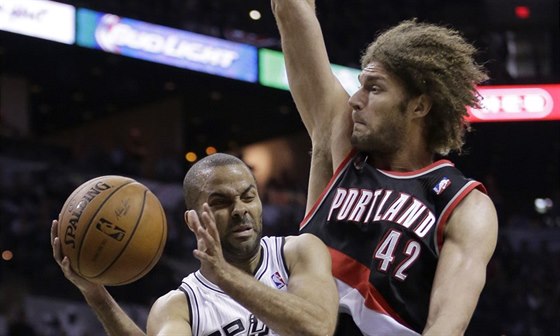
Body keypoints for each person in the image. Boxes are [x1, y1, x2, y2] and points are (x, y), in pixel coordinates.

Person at [271, 1, 499, 335]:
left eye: (373, 88)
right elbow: (290, 9)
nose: (355, 99)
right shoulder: (342, 145)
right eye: (361, 84)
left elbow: (447, 325)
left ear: (419, 106)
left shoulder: (463, 205)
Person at [51, 153, 339, 336]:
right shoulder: (178, 307)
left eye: (248, 197)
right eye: (220, 202)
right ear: (191, 221)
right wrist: (96, 296)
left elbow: (317, 328)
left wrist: (225, 275)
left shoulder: (298, 251)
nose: (240, 209)